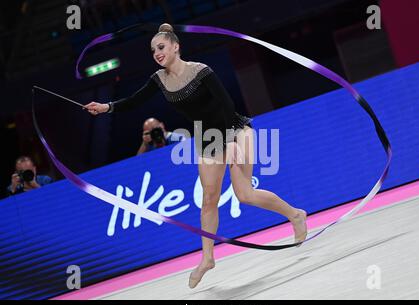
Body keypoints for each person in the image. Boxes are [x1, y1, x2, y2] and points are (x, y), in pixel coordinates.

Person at [84, 23, 308, 289]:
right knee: (208, 201)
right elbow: (134, 101)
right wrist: (106, 106)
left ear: (176, 46)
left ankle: (295, 215)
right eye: (153, 49)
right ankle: (208, 258)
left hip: (233, 129)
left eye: (161, 47)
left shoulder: (201, 71)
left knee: (244, 194)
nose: (156, 52)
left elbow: (226, 106)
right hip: (205, 138)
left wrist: (232, 142)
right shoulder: (160, 79)